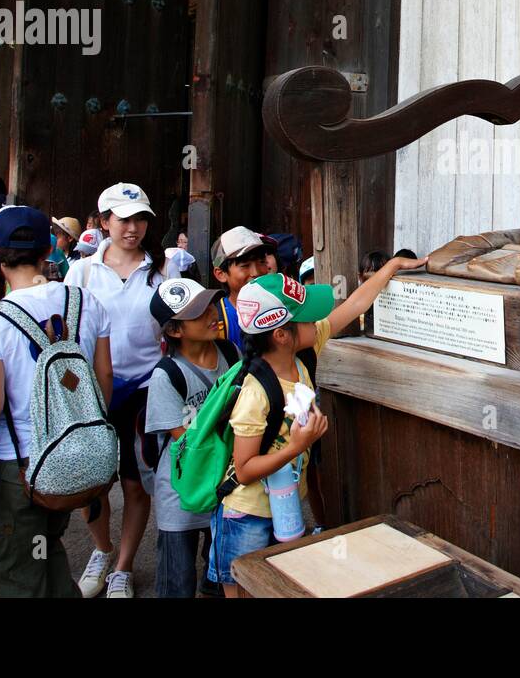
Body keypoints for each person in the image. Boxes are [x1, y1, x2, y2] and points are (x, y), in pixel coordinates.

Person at [208, 253, 427, 597]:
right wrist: (297, 446)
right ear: (281, 335)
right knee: (246, 585)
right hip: (247, 514)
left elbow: (355, 304)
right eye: (309, 317)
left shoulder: (301, 352)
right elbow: (246, 470)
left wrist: (392, 266)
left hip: (285, 502)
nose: (319, 319)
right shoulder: (255, 394)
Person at [0, 206, 113, 598]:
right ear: (49, 248)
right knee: (48, 551)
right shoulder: (86, 302)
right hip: (75, 458)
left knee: (19, 572)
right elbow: (104, 382)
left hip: (20, 465)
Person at [65, 183, 182, 598]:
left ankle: (123, 565)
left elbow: (177, 327)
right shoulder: (80, 270)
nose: (133, 228)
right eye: (123, 219)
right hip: (92, 390)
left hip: (146, 388)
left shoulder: (164, 270)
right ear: (103, 222)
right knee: (91, 480)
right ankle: (100, 549)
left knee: (136, 481)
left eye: (140, 219)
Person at [144, 278, 234, 597]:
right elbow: (187, 443)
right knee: (177, 578)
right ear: (174, 331)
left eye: (210, 304)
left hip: (223, 482)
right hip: (182, 490)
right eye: (198, 313)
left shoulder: (229, 351)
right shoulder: (166, 376)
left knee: (222, 572)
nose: (212, 314)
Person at [211, 227, 274, 355]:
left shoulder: (283, 309)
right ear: (221, 274)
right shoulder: (215, 321)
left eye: (261, 262)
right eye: (245, 265)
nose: (256, 272)